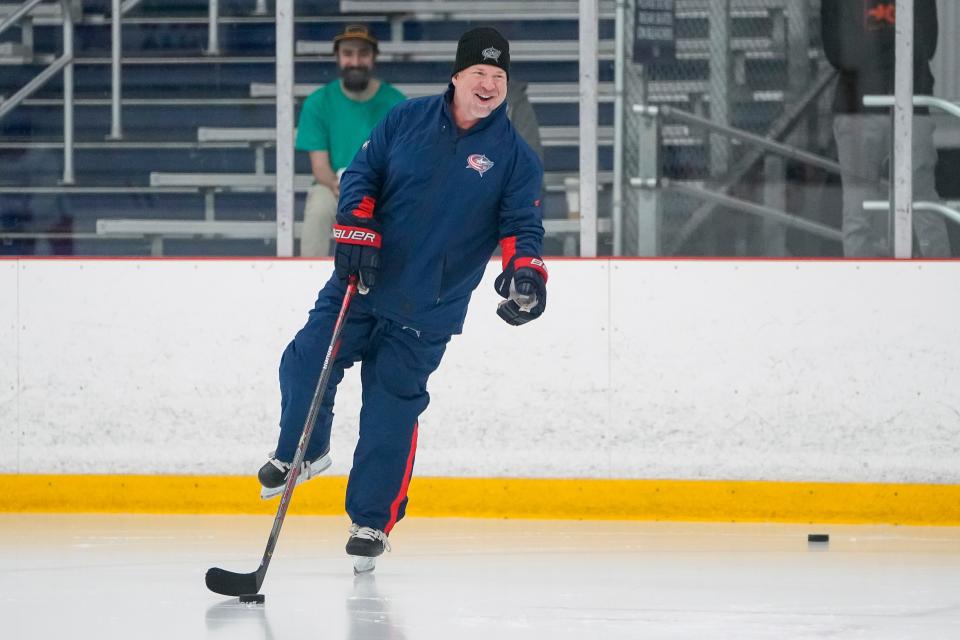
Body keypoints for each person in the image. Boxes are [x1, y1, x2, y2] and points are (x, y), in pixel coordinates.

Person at [258, 26, 547, 572]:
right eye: (478, 74)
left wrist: (525, 276)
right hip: (361, 285)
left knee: (390, 410)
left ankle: (372, 521)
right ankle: (305, 449)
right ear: (457, 76)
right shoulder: (405, 119)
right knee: (305, 359)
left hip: (427, 307)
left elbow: (521, 229)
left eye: (498, 77)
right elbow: (361, 176)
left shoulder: (514, 159)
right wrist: (357, 230)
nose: (488, 85)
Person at [821, 0, 951, 257]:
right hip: (860, 107)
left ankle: (938, 286)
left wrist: (871, 48)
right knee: (860, 210)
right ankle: (862, 287)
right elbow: (839, 53)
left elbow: (926, 45)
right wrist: (894, 43)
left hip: (905, 103)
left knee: (922, 203)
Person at [295, 24, 406, 257]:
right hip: (333, 187)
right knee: (318, 207)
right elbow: (319, 167)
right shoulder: (318, 102)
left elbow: (402, 161)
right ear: (337, 57)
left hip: (381, 191)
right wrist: (341, 186)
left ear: (374, 57)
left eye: (363, 53)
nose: (355, 61)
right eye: (348, 54)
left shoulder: (397, 103)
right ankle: (305, 275)